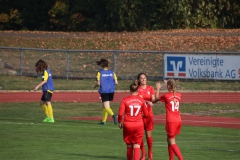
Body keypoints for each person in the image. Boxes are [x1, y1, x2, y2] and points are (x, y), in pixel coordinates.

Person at [118, 80, 149, 160]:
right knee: (137, 145)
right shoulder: (141, 100)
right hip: (138, 124)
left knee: (129, 145)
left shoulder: (125, 100)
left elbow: (120, 113)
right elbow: (146, 114)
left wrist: (119, 122)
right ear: (138, 90)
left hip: (128, 124)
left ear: (130, 90)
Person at [155, 79, 183, 160]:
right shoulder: (179, 95)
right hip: (178, 120)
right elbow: (173, 94)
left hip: (171, 121)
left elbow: (156, 98)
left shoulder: (166, 96)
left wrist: (158, 88)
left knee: (172, 142)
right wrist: (168, 84)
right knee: (169, 140)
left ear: (168, 86)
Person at [94, 58, 118, 125]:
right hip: (111, 90)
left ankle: (113, 115)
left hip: (104, 91)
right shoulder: (112, 72)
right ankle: (103, 121)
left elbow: (98, 83)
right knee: (105, 106)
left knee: (106, 107)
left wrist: (95, 86)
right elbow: (116, 82)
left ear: (101, 65)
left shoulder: (100, 72)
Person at [137, 73, 155, 160]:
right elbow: (139, 99)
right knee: (140, 135)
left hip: (148, 114)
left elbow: (153, 99)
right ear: (139, 80)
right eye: (141, 78)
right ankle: (143, 153)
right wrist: (147, 101)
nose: (143, 79)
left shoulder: (151, 88)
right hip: (140, 114)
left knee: (148, 135)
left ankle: (150, 153)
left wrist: (152, 100)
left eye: (144, 78)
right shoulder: (138, 89)